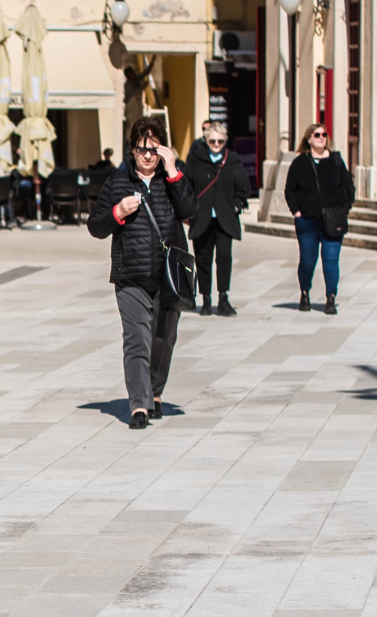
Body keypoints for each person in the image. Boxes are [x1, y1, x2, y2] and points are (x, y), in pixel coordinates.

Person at [88, 115, 198, 430]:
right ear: (132, 150)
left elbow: (192, 212)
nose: (148, 156)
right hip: (131, 274)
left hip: (169, 276)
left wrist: (174, 171)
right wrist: (116, 213)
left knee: (163, 339)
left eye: (153, 149)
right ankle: (139, 404)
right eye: (141, 149)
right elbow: (95, 226)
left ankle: (156, 392)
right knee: (137, 338)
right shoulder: (117, 181)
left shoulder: (171, 176)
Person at [284, 123, 355, 315]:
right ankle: (304, 292)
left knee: (331, 260)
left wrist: (344, 208)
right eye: (317, 135)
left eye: (324, 134)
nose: (322, 137)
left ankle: (330, 297)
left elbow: (348, 187)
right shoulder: (300, 163)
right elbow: (289, 190)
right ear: (309, 139)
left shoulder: (336, 160)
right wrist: (297, 212)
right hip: (308, 221)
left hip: (333, 219)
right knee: (308, 260)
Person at [184, 122, 251, 317]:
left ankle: (223, 298)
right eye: (212, 140)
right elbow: (186, 187)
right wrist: (189, 210)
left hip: (225, 219)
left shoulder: (233, 160)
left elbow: (243, 188)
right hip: (202, 217)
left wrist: (236, 207)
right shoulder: (196, 160)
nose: (216, 144)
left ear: (225, 141)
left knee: (224, 258)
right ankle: (205, 299)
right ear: (206, 140)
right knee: (203, 260)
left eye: (220, 141)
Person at [123, 56, 157, 137]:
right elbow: (135, 92)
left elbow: (145, 73)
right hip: (131, 110)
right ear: (129, 75)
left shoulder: (136, 79)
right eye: (132, 72)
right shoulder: (128, 85)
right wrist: (143, 86)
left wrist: (152, 63)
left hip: (137, 109)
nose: (134, 73)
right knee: (131, 128)